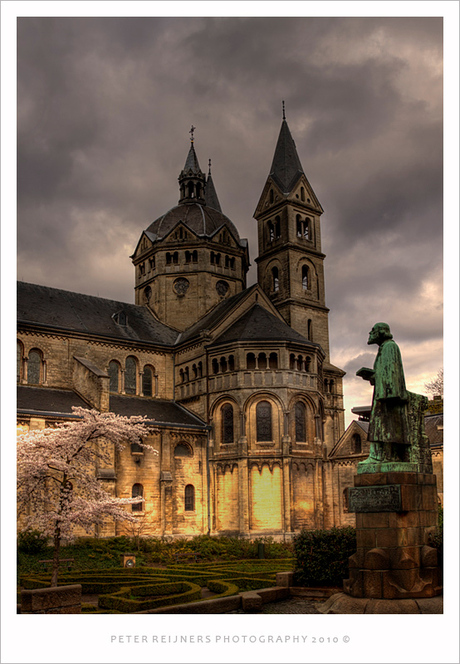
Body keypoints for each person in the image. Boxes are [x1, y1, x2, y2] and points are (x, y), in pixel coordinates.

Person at [356, 322, 409, 464]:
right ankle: (379, 455)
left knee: (382, 424)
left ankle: (381, 456)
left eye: (373, 330)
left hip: (387, 395)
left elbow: (391, 373)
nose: (370, 333)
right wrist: (372, 376)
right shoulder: (384, 348)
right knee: (380, 424)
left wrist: (375, 376)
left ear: (381, 332)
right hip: (383, 393)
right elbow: (385, 373)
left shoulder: (390, 347)